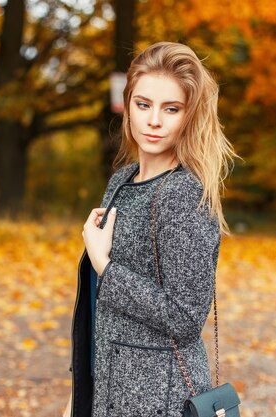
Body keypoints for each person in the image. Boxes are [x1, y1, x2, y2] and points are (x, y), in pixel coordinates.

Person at [64, 41, 240, 417]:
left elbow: (186, 317)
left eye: (171, 109)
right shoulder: (122, 181)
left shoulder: (184, 194)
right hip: (109, 390)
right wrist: (80, 395)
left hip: (160, 397)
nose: (154, 120)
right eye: (143, 105)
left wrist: (104, 266)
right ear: (127, 106)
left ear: (189, 116)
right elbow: (104, 312)